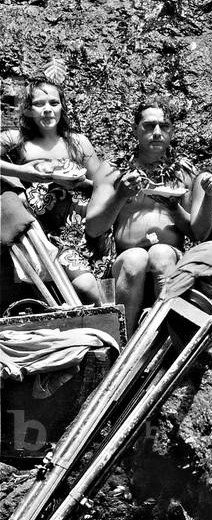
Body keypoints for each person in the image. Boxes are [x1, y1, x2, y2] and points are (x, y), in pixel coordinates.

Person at [85, 100, 196, 334]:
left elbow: (196, 232)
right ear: (136, 129)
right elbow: (93, 228)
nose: (156, 132)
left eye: (164, 126)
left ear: (172, 131)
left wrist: (174, 208)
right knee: (135, 258)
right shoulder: (113, 169)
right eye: (148, 125)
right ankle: (124, 341)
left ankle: (169, 338)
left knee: (161, 253)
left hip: (171, 256)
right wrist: (120, 196)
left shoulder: (183, 171)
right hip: (125, 260)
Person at [0, 80, 108, 303]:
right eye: (39, 104)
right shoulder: (15, 140)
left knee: (95, 287)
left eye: (54, 103)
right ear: (28, 110)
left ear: (62, 107)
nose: (47, 109)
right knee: (83, 287)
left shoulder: (78, 142)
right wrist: (22, 172)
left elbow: (102, 187)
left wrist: (80, 183)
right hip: (43, 232)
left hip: (81, 228)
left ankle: (114, 321)